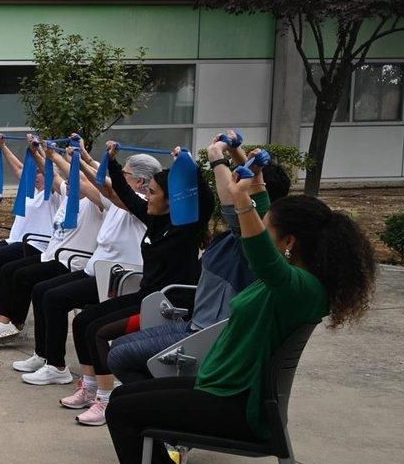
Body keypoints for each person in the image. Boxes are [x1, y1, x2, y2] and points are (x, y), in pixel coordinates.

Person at [105, 157, 376, 464]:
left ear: (290, 242)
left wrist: (241, 200)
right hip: (225, 389)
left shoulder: (296, 286)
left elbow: (261, 252)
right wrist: (257, 185)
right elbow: (265, 236)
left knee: (120, 412)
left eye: (269, 229)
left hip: (237, 406)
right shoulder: (300, 279)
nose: (260, 231)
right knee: (121, 400)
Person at [106, 139, 292, 386]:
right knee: (118, 347)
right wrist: (240, 155)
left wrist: (215, 158)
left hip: (202, 329)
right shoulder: (235, 236)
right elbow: (124, 194)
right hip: (191, 321)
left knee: (118, 353)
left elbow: (226, 203)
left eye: (241, 182)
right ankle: (150, 399)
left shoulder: (248, 242)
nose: (232, 184)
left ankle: (151, 400)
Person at [60, 140, 214, 426]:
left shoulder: (185, 228)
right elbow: (126, 195)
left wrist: (191, 169)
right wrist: (112, 161)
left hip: (169, 305)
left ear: (171, 200)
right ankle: (91, 386)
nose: (147, 197)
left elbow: (206, 202)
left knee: (99, 331)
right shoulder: (153, 219)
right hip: (145, 296)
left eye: (153, 193)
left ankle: (106, 400)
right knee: (83, 321)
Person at [15, 148, 156, 386]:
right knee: (41, 290)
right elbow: (85, 182)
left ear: (140, 181)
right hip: (97, 272)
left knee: (54, 298)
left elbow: (102, 184)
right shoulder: (115, 202)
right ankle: (45, 354)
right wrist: (75, 158)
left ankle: (57, 366)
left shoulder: (140, 204)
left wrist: (79, 160)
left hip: (116, 279)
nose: (121, 176)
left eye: (125, 174)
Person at [0, 143, 101, 344]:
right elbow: (50, 173)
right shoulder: (66, 195)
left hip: (70, 262)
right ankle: (8, 322)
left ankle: (11, 322)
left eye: (74, 181)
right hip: (52, 256)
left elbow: (96, 183)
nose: (67, 184)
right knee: (10, 270)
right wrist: (40, 153)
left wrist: (78, 158)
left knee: (25, 278)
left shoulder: (96, 205)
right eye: (67, 181)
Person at [0, 135, 57, 318]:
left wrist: (38, 151)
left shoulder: (53, 195)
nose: (36, 177)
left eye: (40, 174)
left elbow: (49, 172)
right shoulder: (29, 191)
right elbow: (17, 167)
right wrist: (2, 146)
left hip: (36, 245)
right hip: (15, 240)